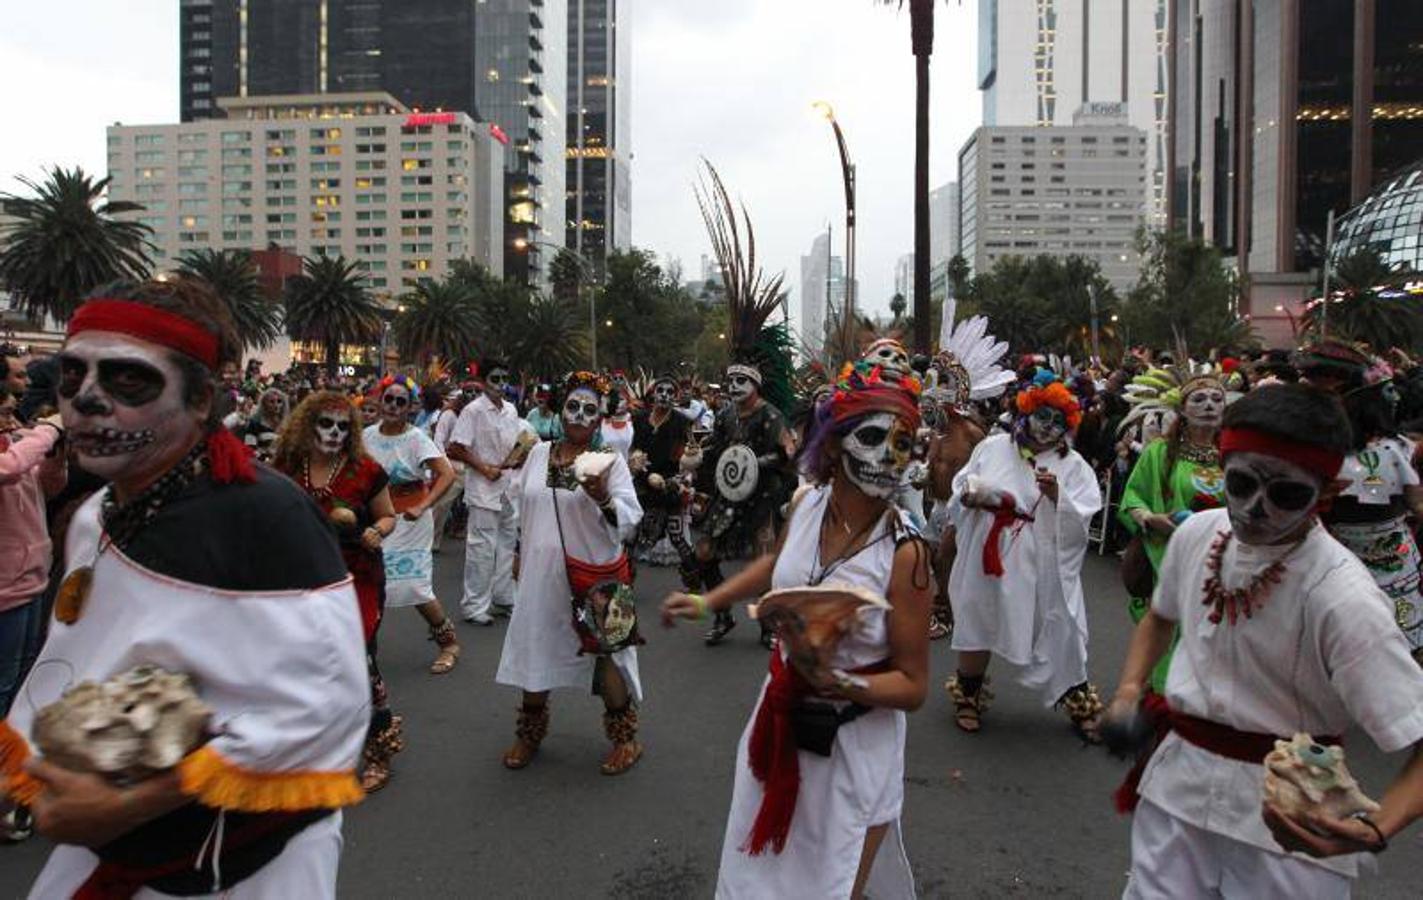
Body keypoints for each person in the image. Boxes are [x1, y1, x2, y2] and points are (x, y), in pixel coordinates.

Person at [0, 278, 367, 896]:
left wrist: (129, 805)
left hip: (241, 863)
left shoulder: (265, 517)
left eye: (126, 379)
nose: (86, 400)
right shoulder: (97, 514)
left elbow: (326, 705)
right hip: (110, 854)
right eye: (72, 375)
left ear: (200, 398)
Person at [1106, 383, 1423, 898]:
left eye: (1286, 493)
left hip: (1289, 821)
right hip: (1176, 794)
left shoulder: (1343, 599)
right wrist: (1127, 692)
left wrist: (1376, 829)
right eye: (1242, 483)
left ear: (1326, 493)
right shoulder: (1197, 534)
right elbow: (1159, 617)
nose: (1255, 507)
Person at [661, 359, 933, 899]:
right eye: (874, 437)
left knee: (830, 888)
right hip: (778, 723)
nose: (888, 456)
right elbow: (778, 564)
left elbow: (914, 685)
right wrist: (707, 599)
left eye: (902, 443)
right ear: (832, 444)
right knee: (756, 880)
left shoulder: (908, 555)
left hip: (854, 752)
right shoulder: (808, 503)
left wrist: (838, 682)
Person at [496, 371, 646, 775]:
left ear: (599, 419)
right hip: (540, 575)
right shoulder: (537, 453)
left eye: (589, 410)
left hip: (596, 576)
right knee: (535, 646)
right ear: (561, 410)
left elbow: (631, 520)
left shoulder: (610, 463)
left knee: (608, 657)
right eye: (573, 407)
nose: (579, 416)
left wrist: (603, 500)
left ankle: (625, 739)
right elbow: (521, 507)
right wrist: (518, 550)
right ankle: (529, 733)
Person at [945, 375, 1106, 740]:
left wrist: (1057, 497)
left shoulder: (1074, 464)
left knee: (1059, 622)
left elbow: (1084, 511)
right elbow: (963, 482)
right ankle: (968, 696)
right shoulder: (993, 447)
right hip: (989, 547)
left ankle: (1079, 700)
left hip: (1041, 556)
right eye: (1043, 417)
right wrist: (970, 496)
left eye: (1058, 423)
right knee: (978, 614)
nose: (1049, 428)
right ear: (1027, 410)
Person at [272, 391, 404, 793]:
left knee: (359, 656)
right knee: (300, 663)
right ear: (307, 425)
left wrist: (374, 531)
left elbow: (388, 517)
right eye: (325, 424)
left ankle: (379, 747)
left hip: (356, 577)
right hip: (300, 578)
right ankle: (314, 743)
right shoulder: (286, 466)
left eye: (342, 427)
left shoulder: (366, 470)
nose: (333, 433)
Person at [1118, 372, 1228, 691]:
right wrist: (1151, 518)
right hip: (1172, 556)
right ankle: (1162, 701)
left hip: (1223, 560)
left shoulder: (1233, 454)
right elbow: (1132, 498)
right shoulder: (1160, 452)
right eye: (1199, 399)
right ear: (1182, 410)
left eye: (1216, 399)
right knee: (1170, 628)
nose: (1208, 405)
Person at [1324, 360, 1423, 664]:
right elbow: (1417, 504)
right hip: (1356, 559)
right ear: (1369, 402)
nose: (1396, 397)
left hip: (1357, 561)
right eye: (1389, 391)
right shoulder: (1396, 449)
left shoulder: (1329, 450)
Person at [363, 375, 462, 674]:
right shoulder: (365, 436)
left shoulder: (417, 438)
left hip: (409, 522)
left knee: (414, 587)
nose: (393, 406)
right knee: (369, 584)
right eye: (388, 399)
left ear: (409, 408)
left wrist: (423, 505)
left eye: (400, 402)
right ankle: (362, 649)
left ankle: (449, 643)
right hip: (377, 521)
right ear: (380, 402)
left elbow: (446, 474)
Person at [697, 359, 796, 646]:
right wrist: (696, 465)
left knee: (762, 562)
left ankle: (768, 626)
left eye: (743, 381)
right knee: (704, 553)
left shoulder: (771, 416)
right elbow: (715, 454)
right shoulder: (725, 416)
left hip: (762, 497)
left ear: (756, 385)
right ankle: (722, 615)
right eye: (732, 381)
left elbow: (787, 454)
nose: (734, 386)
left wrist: (754, 463)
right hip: (728, 496)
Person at [448, 360, 527, 624]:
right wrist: (483, 469)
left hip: (508, 487)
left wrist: (520, 456)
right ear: (483, 381)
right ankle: (474, 606)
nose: (501, 384)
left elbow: (514, 446)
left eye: (505, 378)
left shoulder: (512, 410)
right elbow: (456, 447)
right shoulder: (473, 411)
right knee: (481, 549)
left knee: (507, 546)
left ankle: (504, 597)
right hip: (483, 489)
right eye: (495, 378)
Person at [631, 377, 697, 580]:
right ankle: (625, 577)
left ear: (675, 396)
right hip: (645, 484)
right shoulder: (640, 419)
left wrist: (681, 480)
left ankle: (696, 576)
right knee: (641, 536)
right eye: (661, 390)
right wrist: (641, 468)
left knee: (677, 535)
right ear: (653, 393)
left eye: (670, 392)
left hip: (671, 486)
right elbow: (634, 449)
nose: (664, 395)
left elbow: (691, 454)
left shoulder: (682, 422)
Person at [236, 385, 289, 462]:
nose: (276, 405)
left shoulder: (287, 425)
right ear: (264, 404)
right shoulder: (254, 424)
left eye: (279, 401)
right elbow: (250, 449)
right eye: (272, 402)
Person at [600, 390, 635, 459]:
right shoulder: (601, 421)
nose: (619, 403)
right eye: (615, 399)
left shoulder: (634, 421)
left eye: (622, 399)